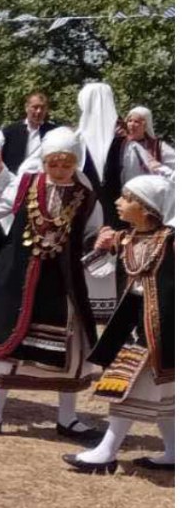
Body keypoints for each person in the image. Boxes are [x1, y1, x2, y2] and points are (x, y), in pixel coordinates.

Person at [0, 127, 101, 441]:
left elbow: (93, 233)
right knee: (8, 337)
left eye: (66, 165)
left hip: (63, 281)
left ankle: (67, 418)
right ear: (43, 162)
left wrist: (102, 243)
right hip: (19, 275)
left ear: (76, 163)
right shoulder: (26, 183)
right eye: (53, 164)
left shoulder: (85, 193)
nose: (58, 170)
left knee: (69, 343)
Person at [67, 174, 174, 474]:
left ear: (145, 207)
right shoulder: (126, 238)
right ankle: (176, 451)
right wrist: (100, 245)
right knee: (164, 392)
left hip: (161, 328)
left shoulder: (171, 241)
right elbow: (91, 267)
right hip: (134, 322)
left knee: (130, 385)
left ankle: (106, 451)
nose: (118, 201)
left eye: (126, 199)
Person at [0, 91, 61, 261]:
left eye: (42, 108)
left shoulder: (54, 132)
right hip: (9, 188)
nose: (38, 112)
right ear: (26, 107)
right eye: (35, 107)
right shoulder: (9, 131)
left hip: (39, 191)